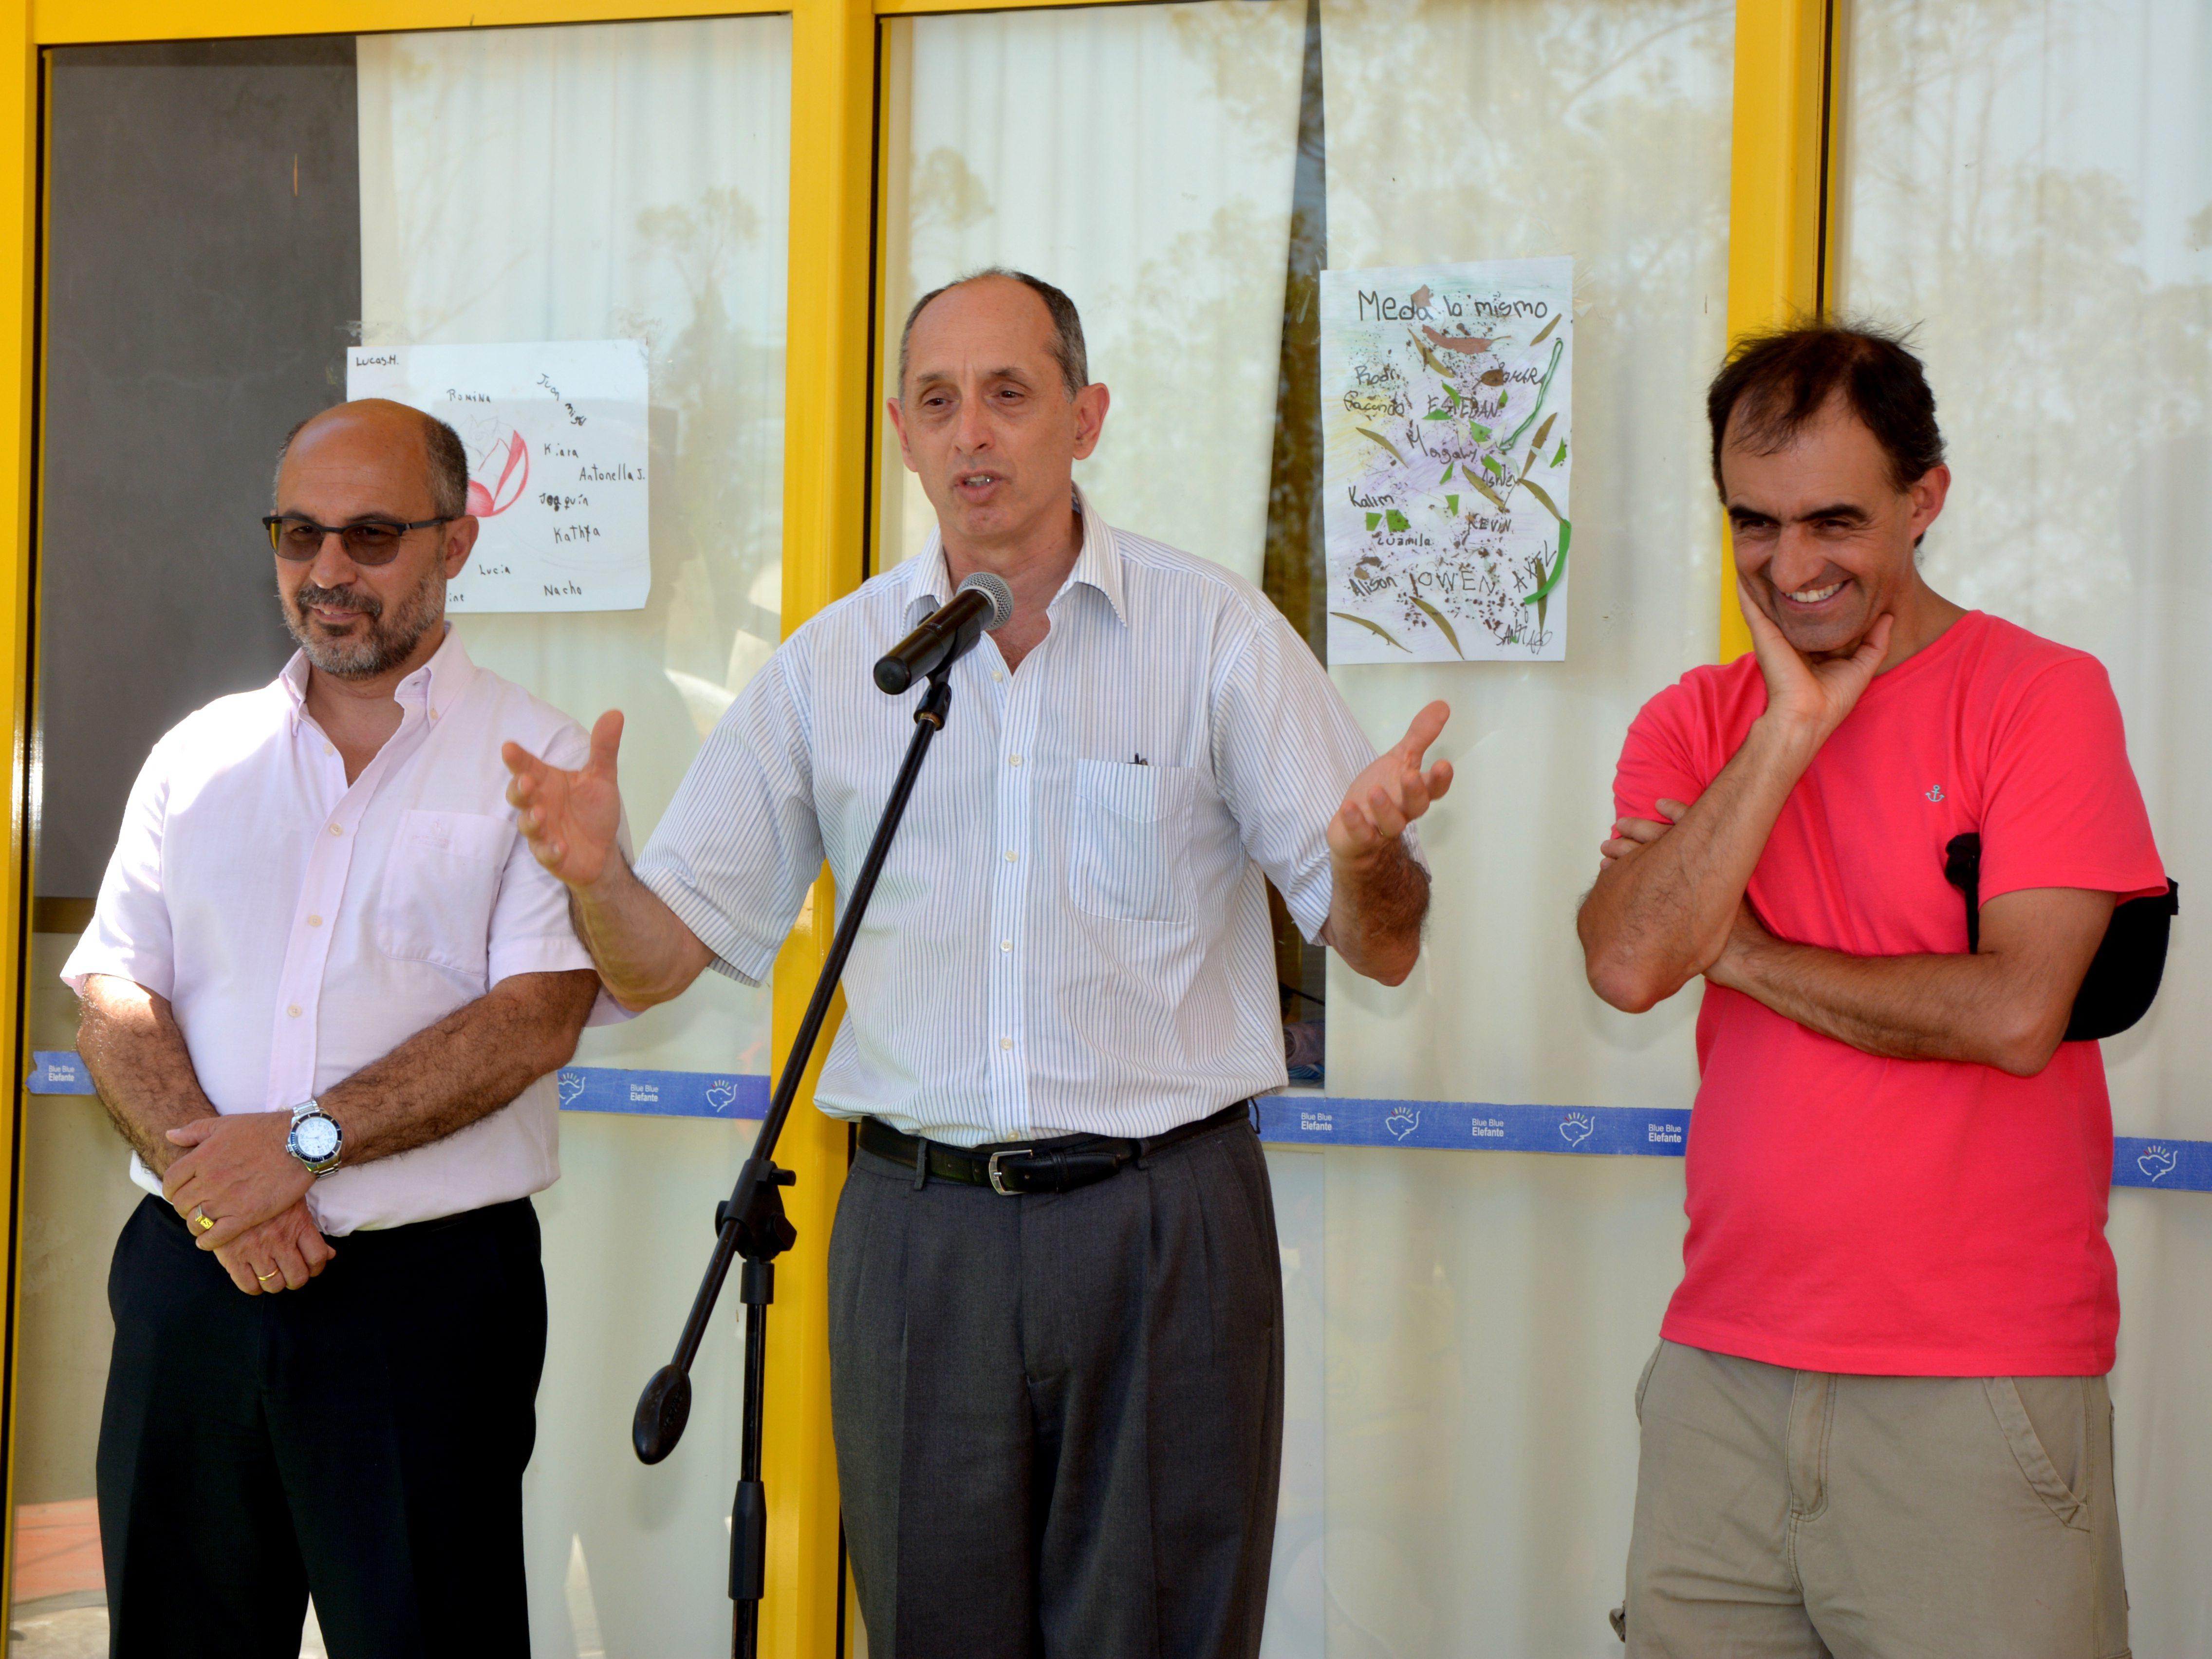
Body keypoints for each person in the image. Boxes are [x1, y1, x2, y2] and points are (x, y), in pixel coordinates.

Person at [503, 269, 1450, 1657]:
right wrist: (596, 877)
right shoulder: (836, 670)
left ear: (1087, 416)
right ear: (900, 430)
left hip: (1161, 1228)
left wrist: (1369, 853)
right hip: (920, 1238)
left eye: (1010, 394)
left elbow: (1384, 944)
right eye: (939, 402)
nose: (974, 435)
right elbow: (653, 967)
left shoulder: (1218, 641)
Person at [1578, 324, 2162, 1658]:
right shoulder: (1697, 720)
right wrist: (1788, 729)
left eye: (1834, 521)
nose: (1790, 567)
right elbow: (1624, 964)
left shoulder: (2041, 699)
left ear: (1926, 498)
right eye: (1755, 523)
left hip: (1977, 1384)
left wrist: (1736, 948)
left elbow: (2017, 1015)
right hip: (1721, 1372)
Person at [68, 400, 603, 1659]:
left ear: (457, 543)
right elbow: (113, 993)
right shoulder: (196, 759)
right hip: (191, 1282)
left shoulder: (537, 757)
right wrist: (226, 1186)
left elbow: (535, 1018)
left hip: (422, 1307)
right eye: (298, 534)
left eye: (370, 536)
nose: (329, 572)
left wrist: (299, 1146)